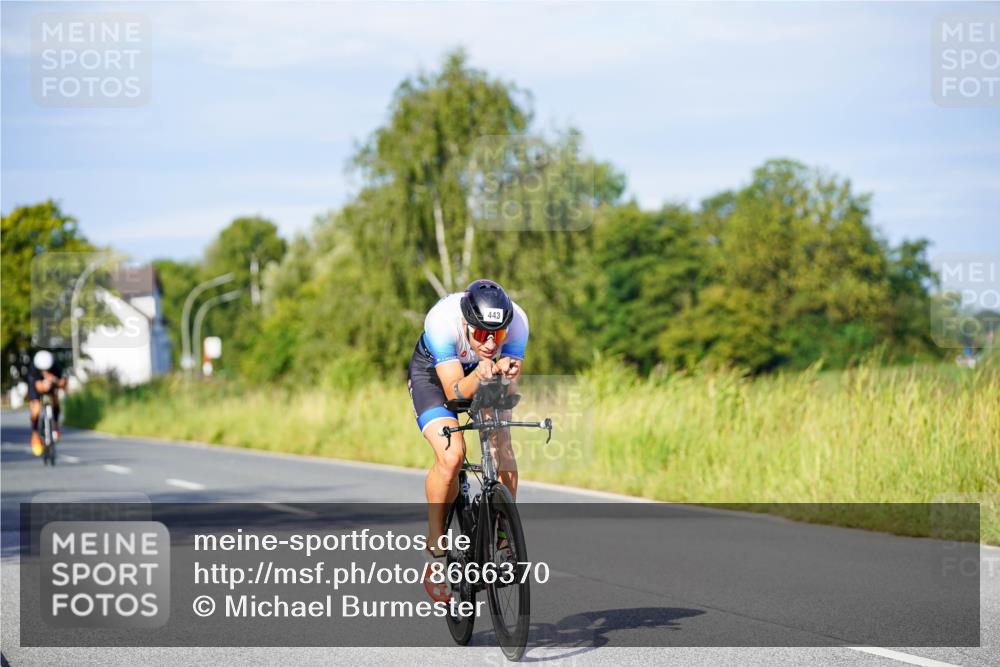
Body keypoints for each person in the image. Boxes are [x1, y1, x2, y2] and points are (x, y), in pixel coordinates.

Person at [407, 279, 528, 602]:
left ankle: (504, 540)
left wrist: (505, 375)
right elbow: (453, 392)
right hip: (436, 377)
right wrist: (479, 374)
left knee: (502, 442)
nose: (490, 342)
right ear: (465, 324)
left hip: (484, 375)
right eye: (480, 334)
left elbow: (507, 393)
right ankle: (435, 548)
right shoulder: (441, 321)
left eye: (498, 335)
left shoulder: (518, 321)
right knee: (451, 455)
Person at [27, 350, 67, 456]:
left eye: (47, 369)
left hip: (51, 384)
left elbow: (63, 382)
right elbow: (37, 386)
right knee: (36, 407)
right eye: (43, 370)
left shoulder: (55, 366)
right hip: (37, 386)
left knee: (55, 399)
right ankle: (35, 434)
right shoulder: (34, 369)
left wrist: (56, 382)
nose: (45, 371)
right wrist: (44, 386)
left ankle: (55, 425)